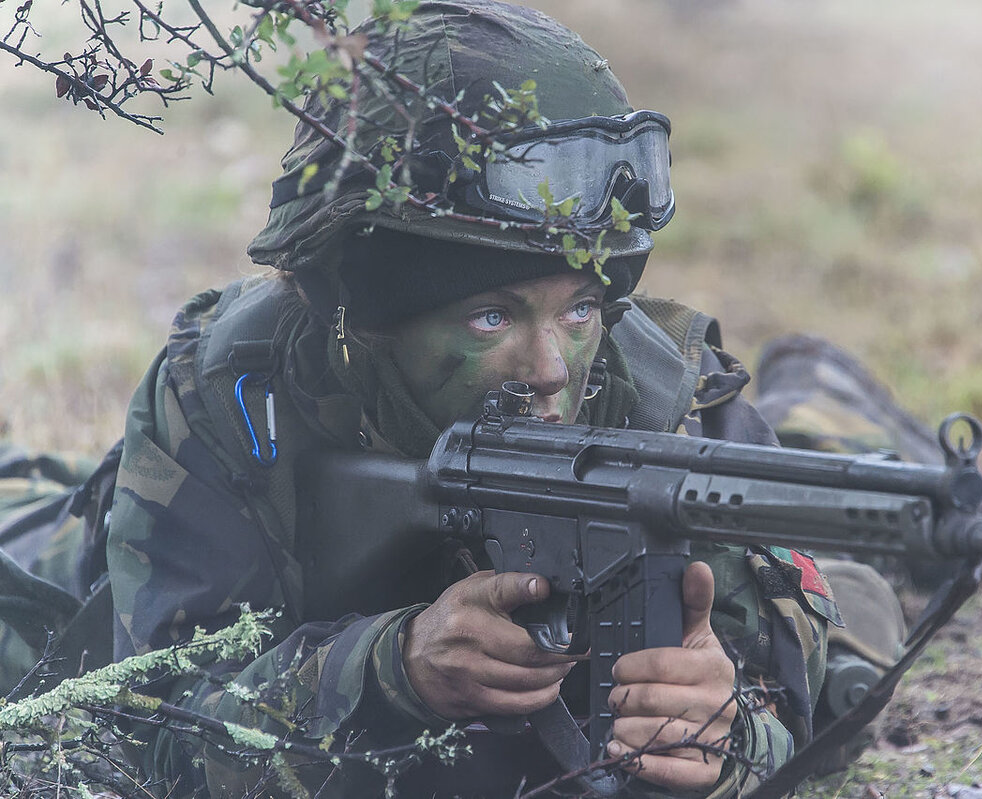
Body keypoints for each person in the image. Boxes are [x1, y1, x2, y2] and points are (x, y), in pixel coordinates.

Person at [100, 2, 906, 796]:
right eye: (492, 315)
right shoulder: (229, 400)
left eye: (580, 308)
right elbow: (154, 730)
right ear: (363, 315)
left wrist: (719, 732)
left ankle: (823, 392)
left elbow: (783, 701)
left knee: (855, 615)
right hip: (113, 547)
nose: (552, 367)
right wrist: (392, 666)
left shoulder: (662, 404)